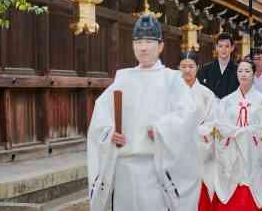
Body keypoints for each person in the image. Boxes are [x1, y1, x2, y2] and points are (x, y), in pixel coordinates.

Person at [87, 14, 201, 211]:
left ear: (160, 46)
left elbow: (188, 115)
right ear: (132, 46)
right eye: (138, 41)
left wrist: (161, 129)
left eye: (149, 41)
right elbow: (101, 116)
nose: (143, 47)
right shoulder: (123, 78)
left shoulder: (171, 79)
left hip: (156, 168)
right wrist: (109, 133)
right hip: (124, 168)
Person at [211, 60, 262, 211]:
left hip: (253, 152)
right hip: (232, 152)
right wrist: (237, 134)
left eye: (247, 71)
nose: (243, 74)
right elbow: (220, 126)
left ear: (254, 74)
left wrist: (245, 134)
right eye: (240, 71)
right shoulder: (226, 101)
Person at [178, 51, 216, 211]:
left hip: (199, 146)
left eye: (191, 66)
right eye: (184, 66)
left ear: (197, 68)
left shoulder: (207, 94)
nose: (187, 70)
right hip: (177, 147)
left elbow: (212, 122)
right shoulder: (172, 92)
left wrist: (196, 134)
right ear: (178, 68)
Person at [197, 33, 238, 99]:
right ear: (216, 47)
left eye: (227, 46)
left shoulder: (239, 70)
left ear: (232, 48)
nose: (223, 49)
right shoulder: (205, 69)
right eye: (220, 46)